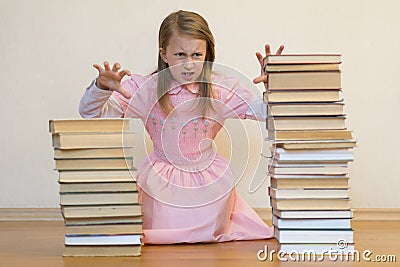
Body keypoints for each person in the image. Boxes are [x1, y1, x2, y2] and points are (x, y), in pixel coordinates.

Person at [79, 10, 284, 244]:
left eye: (197, 55)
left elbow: (268, 115)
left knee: (209, 230)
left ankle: (209, 222)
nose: (189, 64)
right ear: (164, 54)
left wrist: (276, 86)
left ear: (207, 55)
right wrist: (102, 88)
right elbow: (91, 113)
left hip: (209, 181)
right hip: (161, 178)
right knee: (161, 229)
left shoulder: (220, 88)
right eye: (180, 54)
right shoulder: (145, 88)